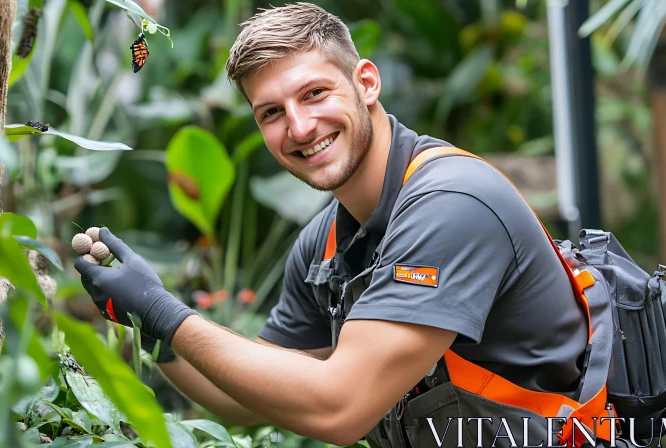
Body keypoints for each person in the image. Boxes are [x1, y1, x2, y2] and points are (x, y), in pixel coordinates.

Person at [75, 3, 611, 447]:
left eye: (314, 93)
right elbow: (248, 396)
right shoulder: (326, 242)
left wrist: (164, 312)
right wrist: (144, 315)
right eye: (272, 113)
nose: (300, 126)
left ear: (367, 83)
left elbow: (339, 407)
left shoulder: (452, 204)